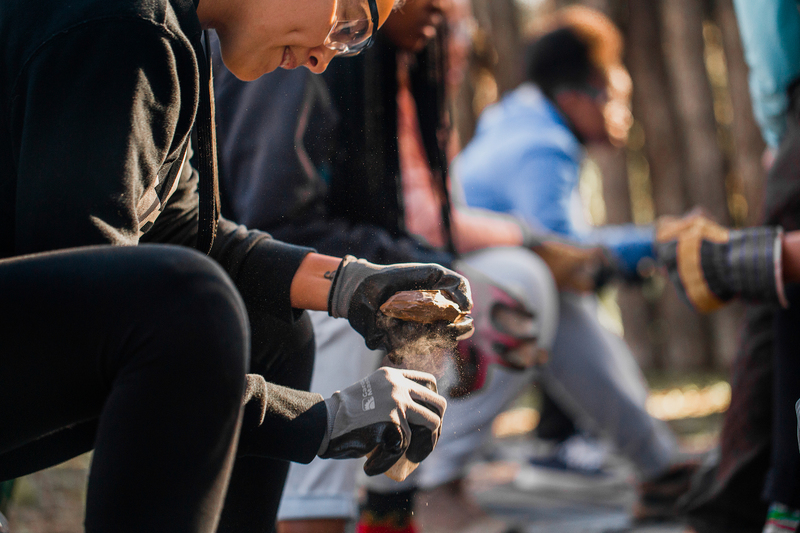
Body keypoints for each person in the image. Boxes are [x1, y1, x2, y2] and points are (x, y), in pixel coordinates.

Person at [211, 2, 690, 532]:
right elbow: (281, 229)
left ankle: (402, 494)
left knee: (507, 284)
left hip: (316, 270)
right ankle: (311, 514)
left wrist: (443, 274)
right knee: (369, 302)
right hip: (263, 295)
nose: (446, 25)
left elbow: (415, 224)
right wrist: (382, 282)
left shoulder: (385, 69)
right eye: (438, 6)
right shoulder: (301, 50)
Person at [0, 0, 473, 531]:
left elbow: (179, 230)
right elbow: (96, 320)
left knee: (272, 323)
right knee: (192, 301)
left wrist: (352, 285)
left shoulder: (178, 32)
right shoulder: (125, 26)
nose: (326, 57)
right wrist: (317, 421)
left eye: (355, 39)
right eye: (349, 23)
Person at [454, 6, 699, 522]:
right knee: (551, 291)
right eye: (613, 96)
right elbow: (564, 255)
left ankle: (659, 466)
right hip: (461, 322)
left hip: (467, 302)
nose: (622, 113)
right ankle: (440, 475)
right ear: (573, 96)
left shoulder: (518, 118)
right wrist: (660, 243)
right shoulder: (541, 146)